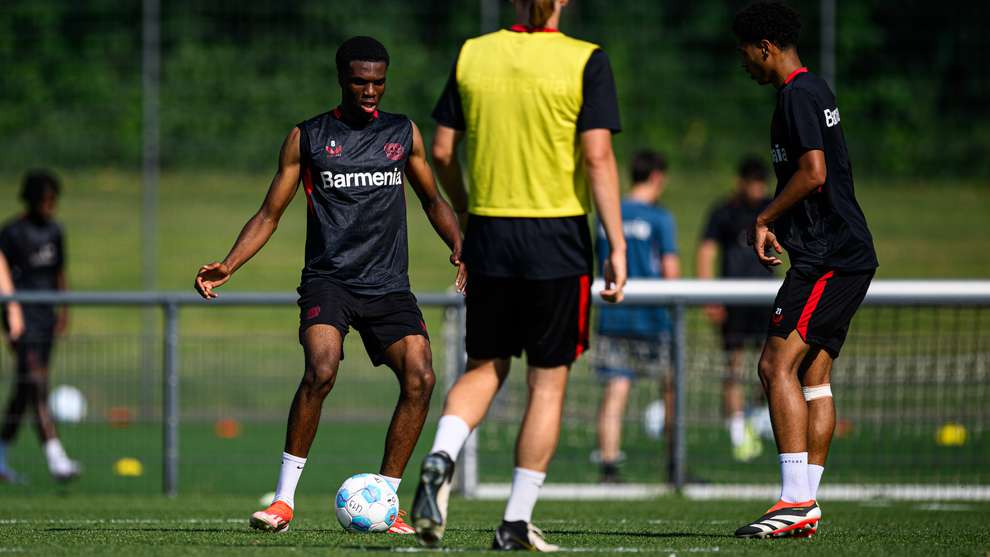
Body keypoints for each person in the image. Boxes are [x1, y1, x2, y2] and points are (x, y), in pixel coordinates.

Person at [193, 36, 465, 535]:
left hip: (387, 284)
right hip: (329, 282)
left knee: (421, 377)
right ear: (342, 79)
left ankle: (386, 498)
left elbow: (433, 200)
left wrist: (458, 243)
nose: (370, 91)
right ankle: (282, 501)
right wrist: (230, 264)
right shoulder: (309, 137)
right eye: (361, 81)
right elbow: (269, 214)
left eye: (379, 82)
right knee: (321, 369)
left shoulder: (404, 134)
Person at [410, 0, 627, 551]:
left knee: (484, 367)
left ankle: (442, 455)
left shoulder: (472, 54)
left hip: (490, 233)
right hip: (558, 237)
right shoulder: (586, 59)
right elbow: (598, 158)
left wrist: (464, 210)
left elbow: (441, 149)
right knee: (548, 382)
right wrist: (617, 242)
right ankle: (514, 521)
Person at [731, 2, 878, 539]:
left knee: (774, 367)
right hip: (845, 253)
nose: (743, 62)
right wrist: (778, 215)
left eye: (744, 51)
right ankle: (805, 504)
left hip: (828, 258)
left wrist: (764, 215)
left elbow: (813, 174)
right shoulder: (815, 89)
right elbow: (811, 174)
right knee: (813, 377)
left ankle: (795, 501)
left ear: (764, 47)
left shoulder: (795, 95)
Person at [593, 150, 678, 484]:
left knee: (615, 391)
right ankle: (674, 464)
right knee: (670, 389)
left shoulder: (606, 215)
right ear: (657, 177)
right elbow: (670, 269)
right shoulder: (660, 218)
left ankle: (609, 468)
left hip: (613, 314)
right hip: (653, 317)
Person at [0, 170, 79, 483]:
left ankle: (1, 456)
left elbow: (60, 272)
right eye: (44, 201)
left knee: (24, 391)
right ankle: (56, 456)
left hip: (45, 318)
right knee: (36, 381)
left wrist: (65, 308)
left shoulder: (54, 232)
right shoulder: (12, 232)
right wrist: (10, 316)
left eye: (53, 201)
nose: (49, 207)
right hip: (21, 317)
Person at [696, 156, 774, 463]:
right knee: (734, 364)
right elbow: (706, 250)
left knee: (771, 364)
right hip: (733, 298)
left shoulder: (773, 208)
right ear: (741, 182)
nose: (756, 188)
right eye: (751, 181)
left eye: (760, 181)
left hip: (767, 298)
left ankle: (759, 419)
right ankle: (738, 430)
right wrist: (708, 296)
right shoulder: (724, 211)